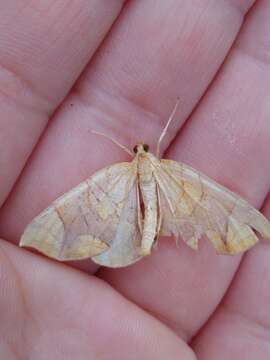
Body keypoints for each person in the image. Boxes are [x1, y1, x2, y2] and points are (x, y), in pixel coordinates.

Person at [0, 1, 269, 359]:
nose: (144, 151)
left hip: (139, 207)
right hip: (158, 205)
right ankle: (128, 238)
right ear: (147, 151)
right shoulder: (166, 168)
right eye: (144, 149)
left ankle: (147, 236)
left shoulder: (116, 175)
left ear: (139, 151)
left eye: (143, 149)